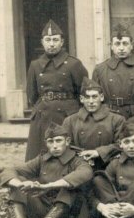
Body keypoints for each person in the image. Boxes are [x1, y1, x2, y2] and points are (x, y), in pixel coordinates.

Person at [0, 124, 93, 218]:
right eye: (50, 142)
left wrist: (49, 186)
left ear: (67, 141)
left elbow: (85, 173)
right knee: (20, 181)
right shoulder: (42, 159)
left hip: (66, 214)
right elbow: (9, 170)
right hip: (43, 208)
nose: (54, 146)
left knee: (69, 189)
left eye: (58, 141)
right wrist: (20, 184)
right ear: (46, 143)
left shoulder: (77, 160)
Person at [24, 19, 88, 160]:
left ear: (62, 42)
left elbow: (83, 92)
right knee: (40, 153)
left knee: (68, 152)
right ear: (42, 42)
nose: (51, 44)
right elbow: (32, 94)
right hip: (43, 114)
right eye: (48, 40)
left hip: (66, 115)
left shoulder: (73, 64)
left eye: (55, 40)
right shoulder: (35, 65)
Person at [92, 25, 134, 118]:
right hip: (109, 116)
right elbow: (94, 98)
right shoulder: (100, 69)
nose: (121, 48)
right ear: (111, 46)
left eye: (125, 43)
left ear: (131, 45)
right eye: (117, 44)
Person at [61, 77, 126, 171]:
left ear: (102, 97)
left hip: (108, 166)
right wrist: (82, 156)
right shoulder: (70, 120)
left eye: (94, 97)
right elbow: (65, 145)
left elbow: (121, 144)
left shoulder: (117, 119)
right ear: (81, 99)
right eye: (87, 97)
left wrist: (98, 152)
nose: (91, 101)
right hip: (79, 166)